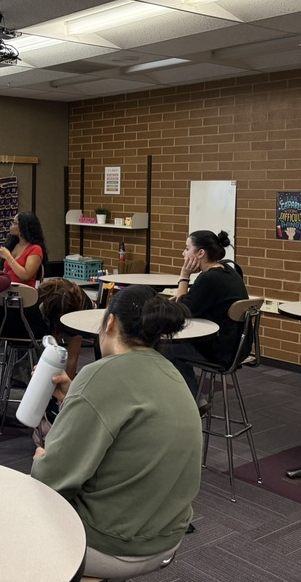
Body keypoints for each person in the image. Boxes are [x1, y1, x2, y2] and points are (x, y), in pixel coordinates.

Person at [31, 286, 201, 580]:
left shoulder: (99, 374)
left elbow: (51, 479)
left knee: (17, 506)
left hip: (111, 545)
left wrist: (41, 457)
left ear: (109, 323)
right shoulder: (170, 372)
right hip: (167, 536)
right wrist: (73, 397)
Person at [160, 230, 249, 399]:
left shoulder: (209, 279)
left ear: (200, 253)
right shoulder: (228, 269)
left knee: (162, 347)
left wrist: (184, 276)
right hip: (237, 347)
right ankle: (187, 397)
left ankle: (191, 401)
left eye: (187, 248)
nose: (183, 253)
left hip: (220, 351)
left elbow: (179, 313)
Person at [37, 277, 94, 379]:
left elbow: (73, 357)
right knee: (48, 350)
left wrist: (66, 388)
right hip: (48, 309)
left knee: (71, 354)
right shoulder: (43, 301)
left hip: (76, 314)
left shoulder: (83, 307)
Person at [0, 211, 46, 287]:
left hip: (23, 291)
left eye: (14, 223)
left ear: (23, 227)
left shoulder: (35, 249)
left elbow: (25, 276)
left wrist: (8, 257)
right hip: (8, 288)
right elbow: (6, 272)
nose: (11, 225)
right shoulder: (14, 244)